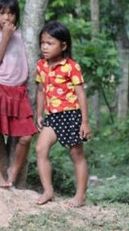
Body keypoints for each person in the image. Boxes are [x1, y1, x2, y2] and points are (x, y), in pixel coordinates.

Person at [34, 21, 92, 207]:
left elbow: (81, 94)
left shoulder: (71, 67)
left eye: (50, 43)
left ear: (63, 45)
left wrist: (85, 122)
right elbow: (41, 91)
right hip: (52, 117)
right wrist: (39, 114)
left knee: (76, 154)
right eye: (42, 43)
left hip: (71, 114)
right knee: (40, 149)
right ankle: (48, 190)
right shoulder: (41, 66)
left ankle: (80, 196)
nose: (44, 47)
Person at [0, 0, 38, 188]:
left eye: (11, 13)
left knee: (26, 137)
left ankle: (13, 172)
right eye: (2, 13)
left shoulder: (22, 35)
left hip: (19, 92)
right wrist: (5, 37)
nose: (7, 18)